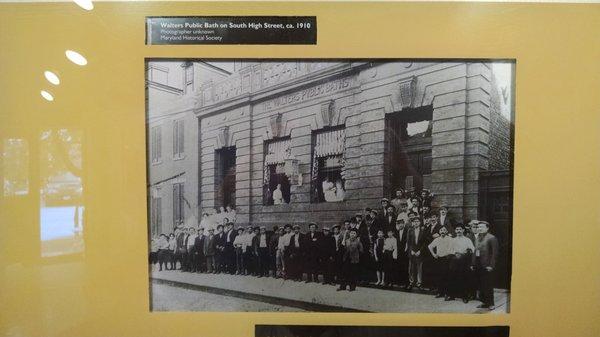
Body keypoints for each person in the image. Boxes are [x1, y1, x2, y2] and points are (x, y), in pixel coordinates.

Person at [471, 221, 499, 310]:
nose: (480, 228)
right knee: (480, 284)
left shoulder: (492, 238)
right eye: (478, 227)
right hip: (478, 264)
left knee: (488, 284)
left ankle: (491, 303)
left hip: (487, 265)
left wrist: (491, 265)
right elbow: (475, 251)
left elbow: (495, 254)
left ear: (487, 228)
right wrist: (473, 263)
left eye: (482, 227)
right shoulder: (478, 237)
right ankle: (484, 302)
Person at [448, 224, 475, 302]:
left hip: (464, 261)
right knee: (453, 277)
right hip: (454, 260)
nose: (458, 231)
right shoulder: (453, 240)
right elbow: (449, 250)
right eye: (457, 229)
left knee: (463, 278)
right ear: (455, 231)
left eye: (460, 229)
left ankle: (465, 296)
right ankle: (452, 295)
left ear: (463, 230)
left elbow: (473, 249)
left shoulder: (467, 240)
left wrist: (466, 252)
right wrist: (455, 253)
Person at [428, 226, 454, 298]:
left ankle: (447, 293)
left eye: (444, 230)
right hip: (439, 259)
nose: (442, 231)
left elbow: (452, 248)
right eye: (441, 230)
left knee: (446, 276)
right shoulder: (437, 239)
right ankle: (440, 292)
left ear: (446, 231)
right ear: (439, 232)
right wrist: (433, 254)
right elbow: (430, 246)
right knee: (439, 276)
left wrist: (449, 254)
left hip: (447, 259)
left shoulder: (450, 239)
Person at [407, 217, 427, 290]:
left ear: (420, 222)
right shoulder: (410, 230)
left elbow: (425, 243)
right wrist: (411, 250)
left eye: (417, 221)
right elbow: (408, 242)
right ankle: (411, 283)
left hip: (419, 252)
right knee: (411, 268)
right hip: (412, 252)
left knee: (419, 269)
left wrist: (420, 251)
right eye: (414, 221)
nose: (416, 223)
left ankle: (419, 283)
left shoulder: (423, 231)